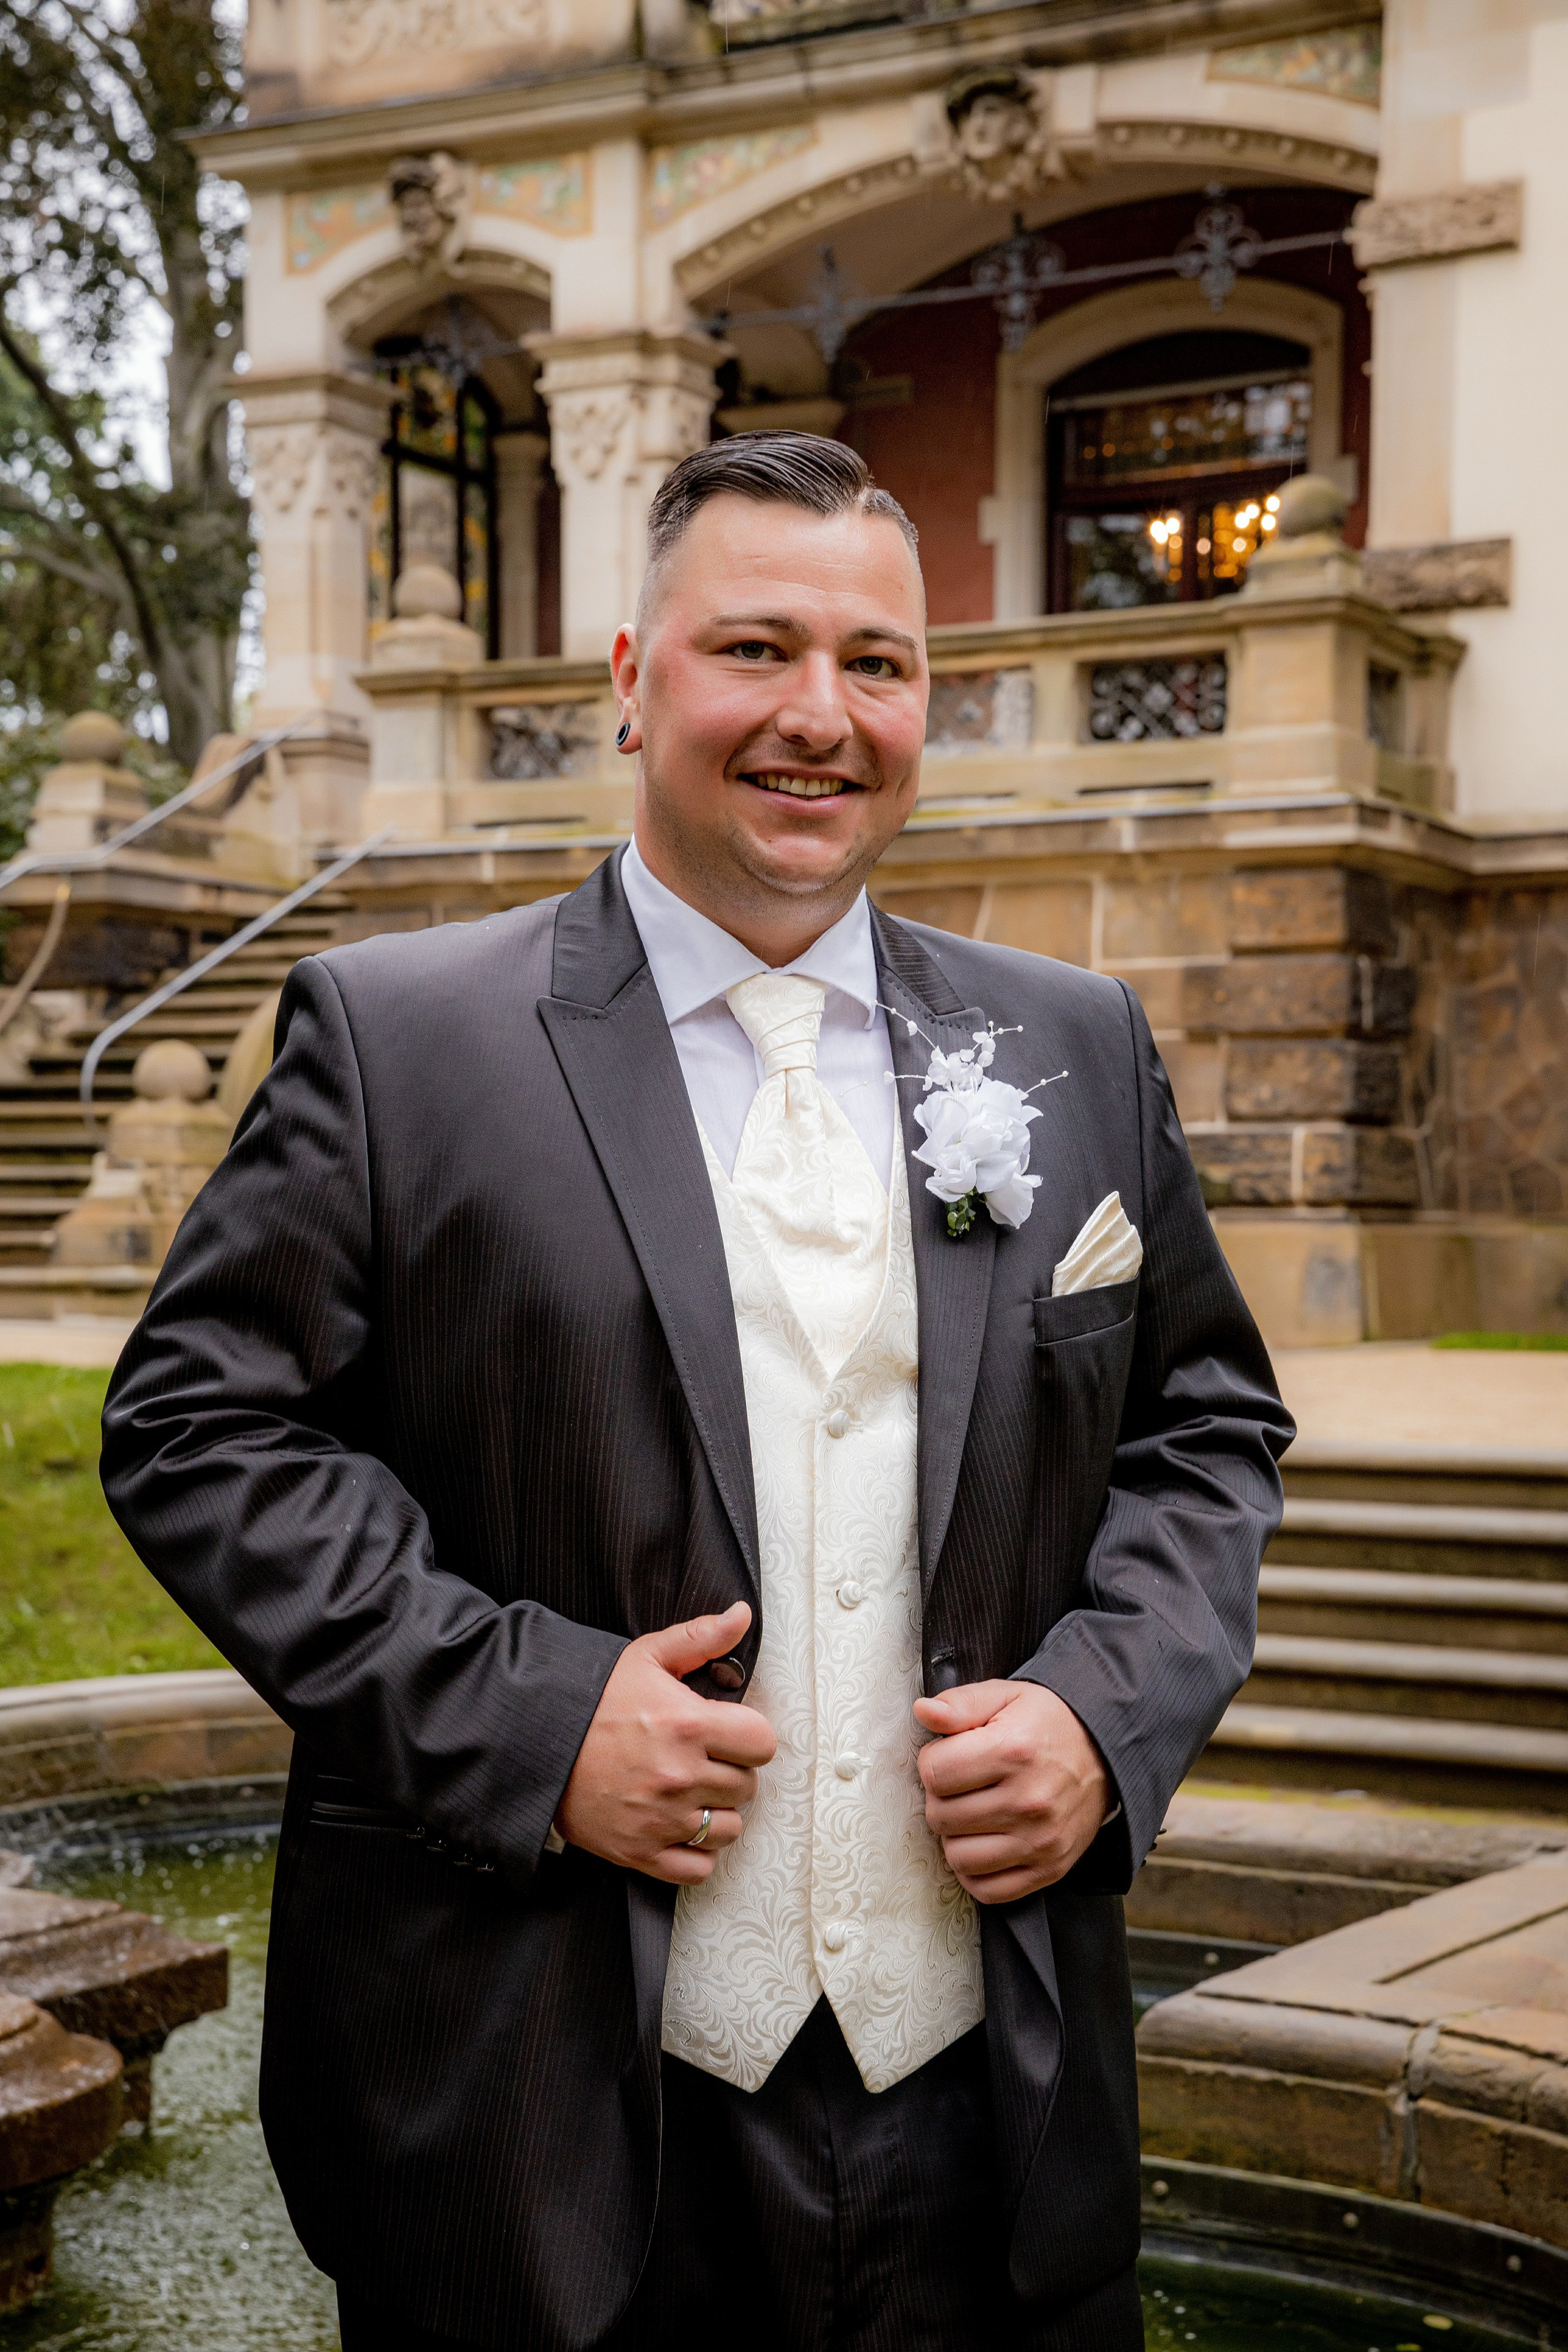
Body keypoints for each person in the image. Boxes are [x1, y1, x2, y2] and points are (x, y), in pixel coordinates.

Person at [100, 432, 1292, 2352]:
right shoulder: (397, 1042)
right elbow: (196, 1430)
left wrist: (1102, 1715)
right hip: (543, 2105)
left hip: (993, 2105)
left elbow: (1205, 1430)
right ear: (633, 686)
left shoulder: (1071, 1042)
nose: (822, 716)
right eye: (756, 649)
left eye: (879, 665)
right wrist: (531, 1718)